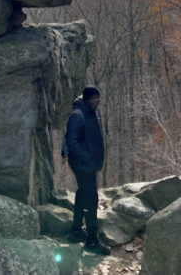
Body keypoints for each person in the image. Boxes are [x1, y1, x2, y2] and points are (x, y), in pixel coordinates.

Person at [66, 85, 111, 255]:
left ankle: (76, 231)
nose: (97, 101)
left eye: (98, 98)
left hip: (89, 164)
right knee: (91, 198)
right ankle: (92, 241)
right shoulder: (78, 116)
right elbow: (72, 142)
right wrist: (87, 158)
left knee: (83, 193)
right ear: (86, 99)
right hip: (82, 164)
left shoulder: (93, 113)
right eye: (94, 98)